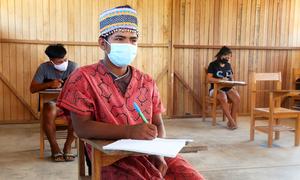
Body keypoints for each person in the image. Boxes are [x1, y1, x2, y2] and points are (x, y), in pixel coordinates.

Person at [57, 5, 204, 180]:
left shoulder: (146, 81)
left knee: (191, 177)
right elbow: (82, 128)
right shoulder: (83, 78)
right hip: (110, 158)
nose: (128, 45)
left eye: (133, 40)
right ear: (103, 43)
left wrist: (159, 153)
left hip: (150, 152)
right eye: (119, 38)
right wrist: (129, 131)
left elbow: (157, 125)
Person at [30, 44, 78, 162]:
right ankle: (54, 147)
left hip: (69, 103)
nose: (64, 63)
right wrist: (49, 84)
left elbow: (81, 88)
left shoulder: (73, 66)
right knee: (49, 108)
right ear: (51, 61)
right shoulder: (44, 68)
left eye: (64, 60)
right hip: (52, 104)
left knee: (78, 112)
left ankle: (68, 146)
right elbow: (32, 89)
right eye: (59, 61)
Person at [207, 46, 241, 130]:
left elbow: (231, 77)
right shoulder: (213, 65)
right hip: (215, 89)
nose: (228, 58)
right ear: (221, 55)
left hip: (227, 88)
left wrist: (232, 82)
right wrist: (220, 79)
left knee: (237, 98)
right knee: (223, 97)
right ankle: (232, 121)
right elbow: (209, 79)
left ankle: (230, 121)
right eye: (226, 56)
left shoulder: (228, 65)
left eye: (229, 56)